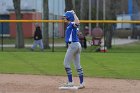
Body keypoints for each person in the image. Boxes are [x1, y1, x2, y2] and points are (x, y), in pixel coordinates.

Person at [62, 10, 85, 89]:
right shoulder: (70, 25)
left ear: (69, 18)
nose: (64, 19)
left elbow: (77, 22)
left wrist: (74, 13)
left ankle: (70, 82)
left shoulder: (71, 24)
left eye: (65, 17)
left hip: (73, 45)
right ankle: (82, 83)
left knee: (66, 64)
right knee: (77, 65)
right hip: (77, 45)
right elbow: (77, 31)